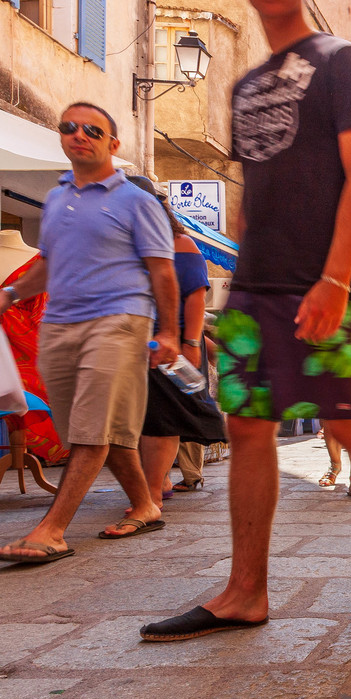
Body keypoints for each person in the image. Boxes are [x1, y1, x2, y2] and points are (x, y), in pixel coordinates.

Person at [142, 0, 351, 640]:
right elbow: (257, 187)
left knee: (350, 422)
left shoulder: (340, 61)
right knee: (248, 427)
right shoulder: (245, 85)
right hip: (255, 290)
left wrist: (337, 280)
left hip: (323, 284)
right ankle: (245, 592)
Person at [0, 103, 179, 564]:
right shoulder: (55, 199)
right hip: (58, 326)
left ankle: (52, 530)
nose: (79, 135)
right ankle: (145, 504)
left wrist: (171, 332)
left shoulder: (136, 201)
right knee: (86, 430)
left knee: (91, 431)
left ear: (113, 143)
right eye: (69, 127)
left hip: (118, 322)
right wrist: (8, 295)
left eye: (93, 129)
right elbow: (48, 266)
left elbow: (163, 270)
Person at [132, 179, 226, 509]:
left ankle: (153, 488)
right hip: (135, 340)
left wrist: (189, 343)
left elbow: (196, 296)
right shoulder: (128, 241)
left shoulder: (180, 243)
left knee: (162, 418)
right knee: (140, 419)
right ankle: (159, 481)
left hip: (172, 342)